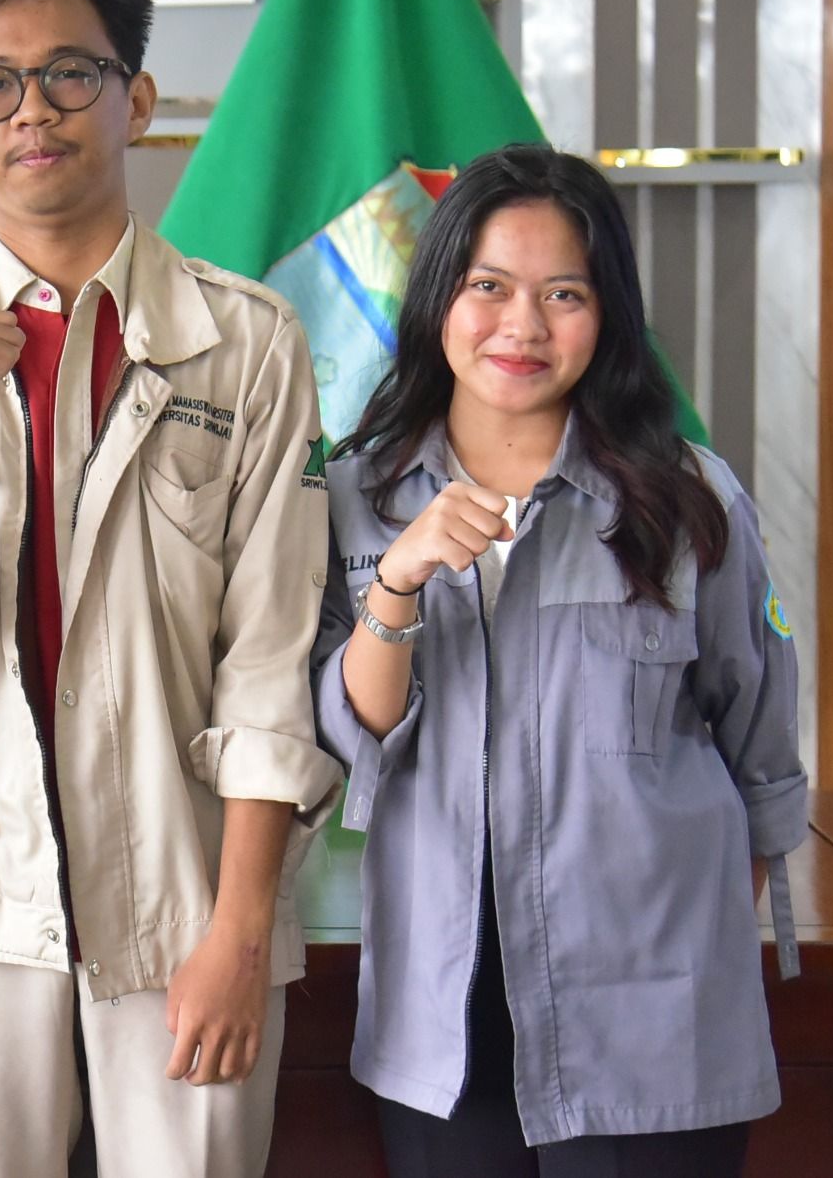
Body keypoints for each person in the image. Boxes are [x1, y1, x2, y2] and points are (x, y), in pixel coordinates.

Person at [0, 0, 339, 1177]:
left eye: (69, 74)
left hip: (184, 893)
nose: (32, 111)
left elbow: (272, 655)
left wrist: (241, 929)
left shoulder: (245, 341)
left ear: (135, 100)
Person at [311, 144, 805, 1176]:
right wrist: (395, 583)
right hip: (443, 1025)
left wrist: (686, 944)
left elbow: (756, 743)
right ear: (439, 300)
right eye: (488, 286)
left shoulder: (687, 498)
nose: (523, 326)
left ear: (607, 314)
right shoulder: (354, 498)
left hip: (651, 1022)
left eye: (563, 294)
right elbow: (356, 733)